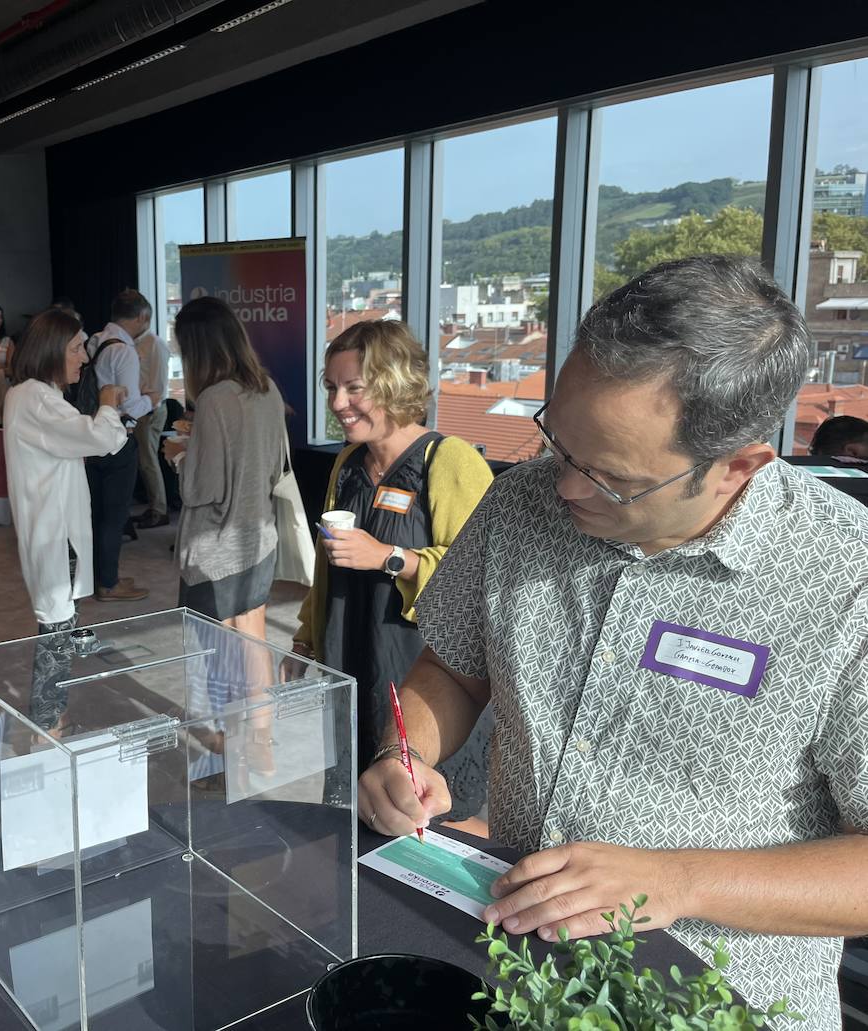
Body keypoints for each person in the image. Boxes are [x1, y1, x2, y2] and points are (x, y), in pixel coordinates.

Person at [358, 255, 868, 1030]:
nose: (563, 487)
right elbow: (455, 669)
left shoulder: (847, 580)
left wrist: (680, 880)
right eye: (558, 442)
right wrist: (410, 755)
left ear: (738, 467)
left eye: (611, 478)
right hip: (511, 968)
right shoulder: (523, 497)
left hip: (716, 1006)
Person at [291, 321, 495, 816]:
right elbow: (326, 569)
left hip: (425, 675)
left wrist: (388, 557)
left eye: (354, 388)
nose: (338, 403)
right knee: (358, 804)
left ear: (394, 382)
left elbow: (484, 575)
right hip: (350, 656)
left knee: (424, 816)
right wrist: (305, 639)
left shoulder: (450, 461)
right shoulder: (347, 465)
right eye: (332, 387)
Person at [165, 297, 286, 639]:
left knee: (214, 670)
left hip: (216, 554)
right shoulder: (267, 388)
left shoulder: (213, 399)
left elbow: (200, 489)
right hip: (260, 543)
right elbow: (275, 468)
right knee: (253, 651)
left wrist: (178, 456)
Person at [4, 309, 128, 635]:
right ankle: (50, 689)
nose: (84, 358)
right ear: (51, 349)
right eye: (75, 348)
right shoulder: (37, 398)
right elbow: (99, 438)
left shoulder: (31, 395)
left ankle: (55, 687)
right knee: (57, 637)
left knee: (60, 630)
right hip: (56, 533)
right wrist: (107, 403)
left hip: (52, 529)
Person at [85, 289, 155, 602]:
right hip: (116, 438)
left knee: (97, 512)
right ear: (141, 316)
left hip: (91, 436)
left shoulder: (95, 340)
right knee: (114, 516)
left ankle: (99, 577)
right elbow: (127, 403)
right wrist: (152, 401)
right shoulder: (124, 351)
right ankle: (109, 584)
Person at [133, 325, 171, 528]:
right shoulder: (137, 342)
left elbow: (158, 382)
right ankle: (155, 506)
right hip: (142, 408)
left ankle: (159, 510)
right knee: (144, 461)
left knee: (148, 461)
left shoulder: (154, 344)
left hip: (150, 409)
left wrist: (149, 408)